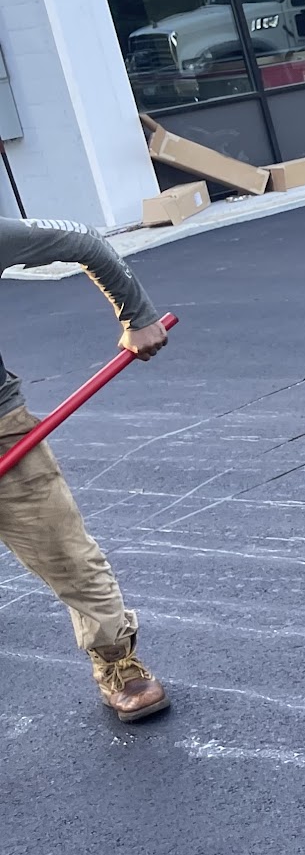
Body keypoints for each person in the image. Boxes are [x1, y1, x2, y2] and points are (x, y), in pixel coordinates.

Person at [0, 217, 172, 720]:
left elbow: (86, 242)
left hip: (3, 432)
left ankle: (117, 662)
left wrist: (138, 316)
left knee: (67, 555)